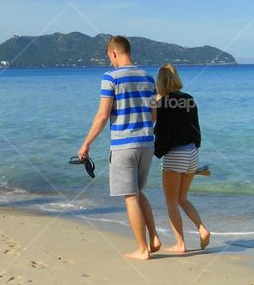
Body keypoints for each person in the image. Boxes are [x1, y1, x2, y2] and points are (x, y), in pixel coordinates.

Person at [78, 36, 161, 260]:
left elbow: (103, 116)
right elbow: (154, 115)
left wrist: (86, 143)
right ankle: (153, 237)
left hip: (124, 145)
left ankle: (142, 249)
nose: (111, 62)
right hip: (147, 143)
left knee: (130, 196)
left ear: (114, 53)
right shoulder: (149, 78)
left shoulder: (110, 78)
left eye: (110, 58)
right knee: (138, 191)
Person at [153, 64, 210, 252]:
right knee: (182, 198)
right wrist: (196, 148)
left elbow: (163, 133)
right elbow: (196, 127)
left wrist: (157, 152)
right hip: (192, 152)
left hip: (175, 154)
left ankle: (180, 244)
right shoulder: (189, 99)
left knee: (171, 202)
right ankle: (202, 229)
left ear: (160, 82)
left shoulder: (162, 103)